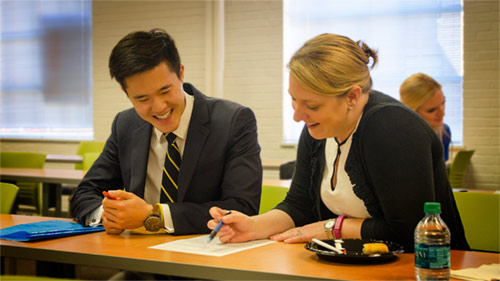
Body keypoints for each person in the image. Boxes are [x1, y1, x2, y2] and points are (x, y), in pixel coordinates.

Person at [208, 33, 469, 252]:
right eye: (294, 100)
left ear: (353, 96)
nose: (298, 116)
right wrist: (252, 226)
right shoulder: (318, 128)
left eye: (312, 105)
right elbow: (299, 205)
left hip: (429, 269)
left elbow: (408, 232)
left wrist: (331, 228)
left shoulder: (391, 127)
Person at [70, 28, 262, 236]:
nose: (159, 107)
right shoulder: (125, 124)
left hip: (207, 257)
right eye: (142, 99)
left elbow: (242, 207)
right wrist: (108, 215)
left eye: (165, 91)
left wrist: (153, 215)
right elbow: (84, 193)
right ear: (126, 93)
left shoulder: (232, 121)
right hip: (140, 256)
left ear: (180, 73)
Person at [400, 73, 452, 161]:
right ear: (412, 113)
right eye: (431, 110)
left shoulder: (444, 133)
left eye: (443, 103)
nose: (442, 113)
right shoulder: (399, 140)